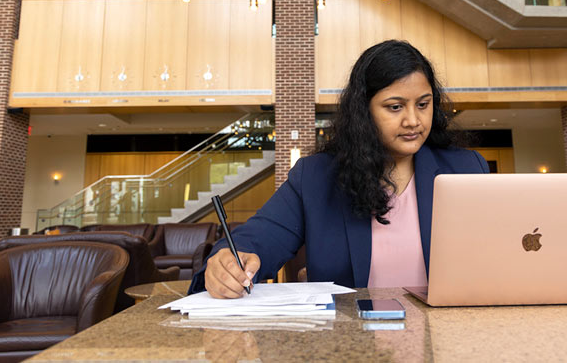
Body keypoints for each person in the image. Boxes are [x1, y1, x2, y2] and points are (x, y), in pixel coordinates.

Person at [190, 40, 489, 298]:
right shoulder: (316, 177)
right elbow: (257, 239)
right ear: (364, 112)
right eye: (395, 107)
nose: (413, 120)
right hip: (351, 344)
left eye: (423, 104)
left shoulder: (466, 168)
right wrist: (227, 263)